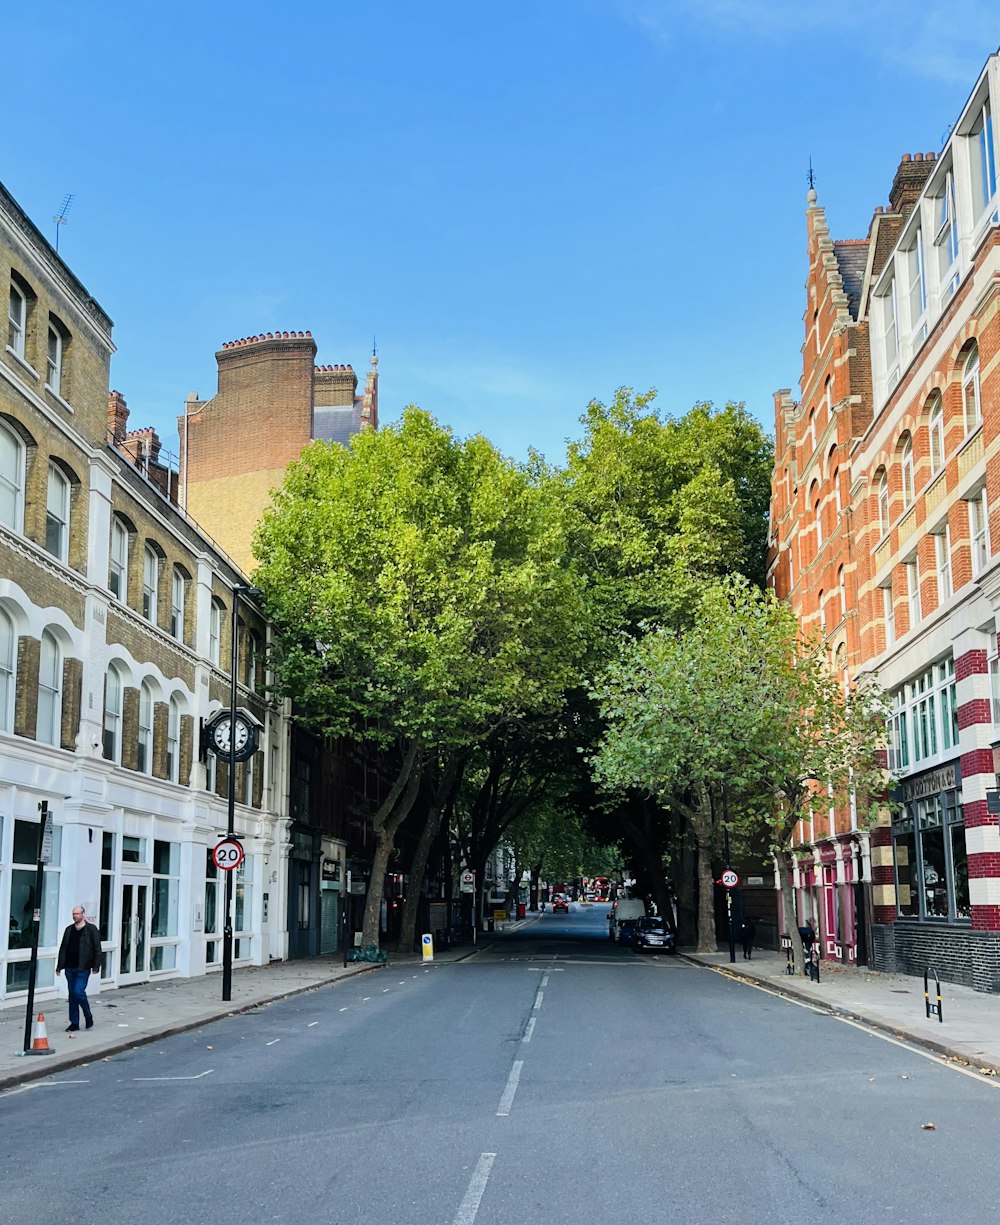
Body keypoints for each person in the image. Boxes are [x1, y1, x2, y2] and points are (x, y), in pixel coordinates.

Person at [56, 905, 102, 1033]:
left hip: (83, 967)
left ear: (83, 914)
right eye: (73, 914)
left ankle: (88, 1015)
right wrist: (60, 966)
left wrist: (96, 965)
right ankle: (74, 1022)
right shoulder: (69, 930)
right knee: (72, 995)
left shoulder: (91, 930)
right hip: (70, 967)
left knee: (78, 992)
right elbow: (63, 948)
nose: (74, 916)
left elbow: (97, 949)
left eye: (77, 914)